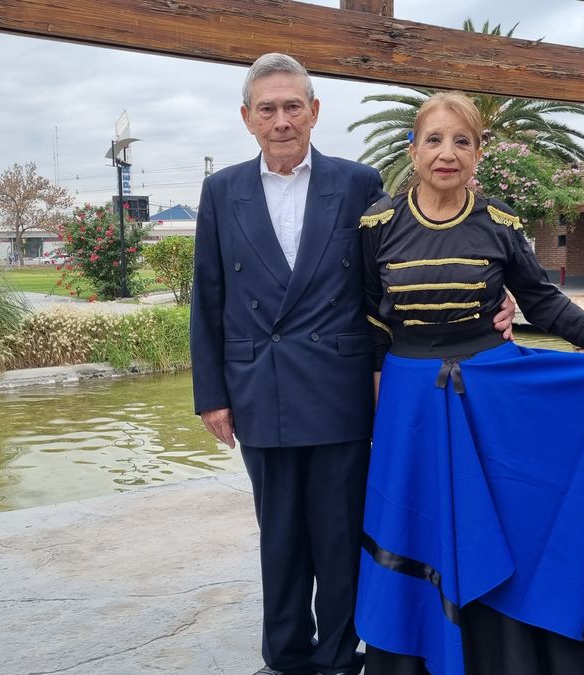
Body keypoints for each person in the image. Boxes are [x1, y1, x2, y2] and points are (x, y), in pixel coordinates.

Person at [355, 92, 584, 675]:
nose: (446, 153)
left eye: (462, 141)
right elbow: (371, 318)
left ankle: (493, 655)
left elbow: (547, 307)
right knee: (414, 519)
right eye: (434, 140)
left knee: (501, 522)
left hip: (487, 396)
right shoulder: (378, 224)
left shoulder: (499, 223)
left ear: (478, 153)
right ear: (412, 148)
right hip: (408, 400)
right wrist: (379, 387)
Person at [190, 57, 516, 675]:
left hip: (344, 388)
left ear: (315, 112)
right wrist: (212, 393)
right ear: (247, 118)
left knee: (340, 532)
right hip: (260, 388)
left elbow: (417, 245)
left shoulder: (359, 182)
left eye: (294, 107)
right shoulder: (220, 189)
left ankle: (340, 656)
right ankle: (286, 657)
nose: (282, 120)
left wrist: (496, 289)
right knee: (280, 536)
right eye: (268, 109)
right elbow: (208, 296)